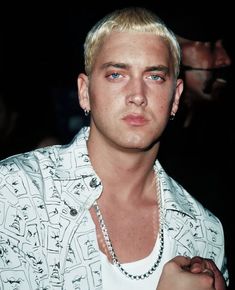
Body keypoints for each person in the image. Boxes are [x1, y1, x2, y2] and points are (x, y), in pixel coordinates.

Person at [0, 7, 229, 290]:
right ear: (85, 92)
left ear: (175, 98)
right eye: (116, 75)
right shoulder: (15, 193)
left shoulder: (204, 232)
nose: (137, 96)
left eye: (154, 76)